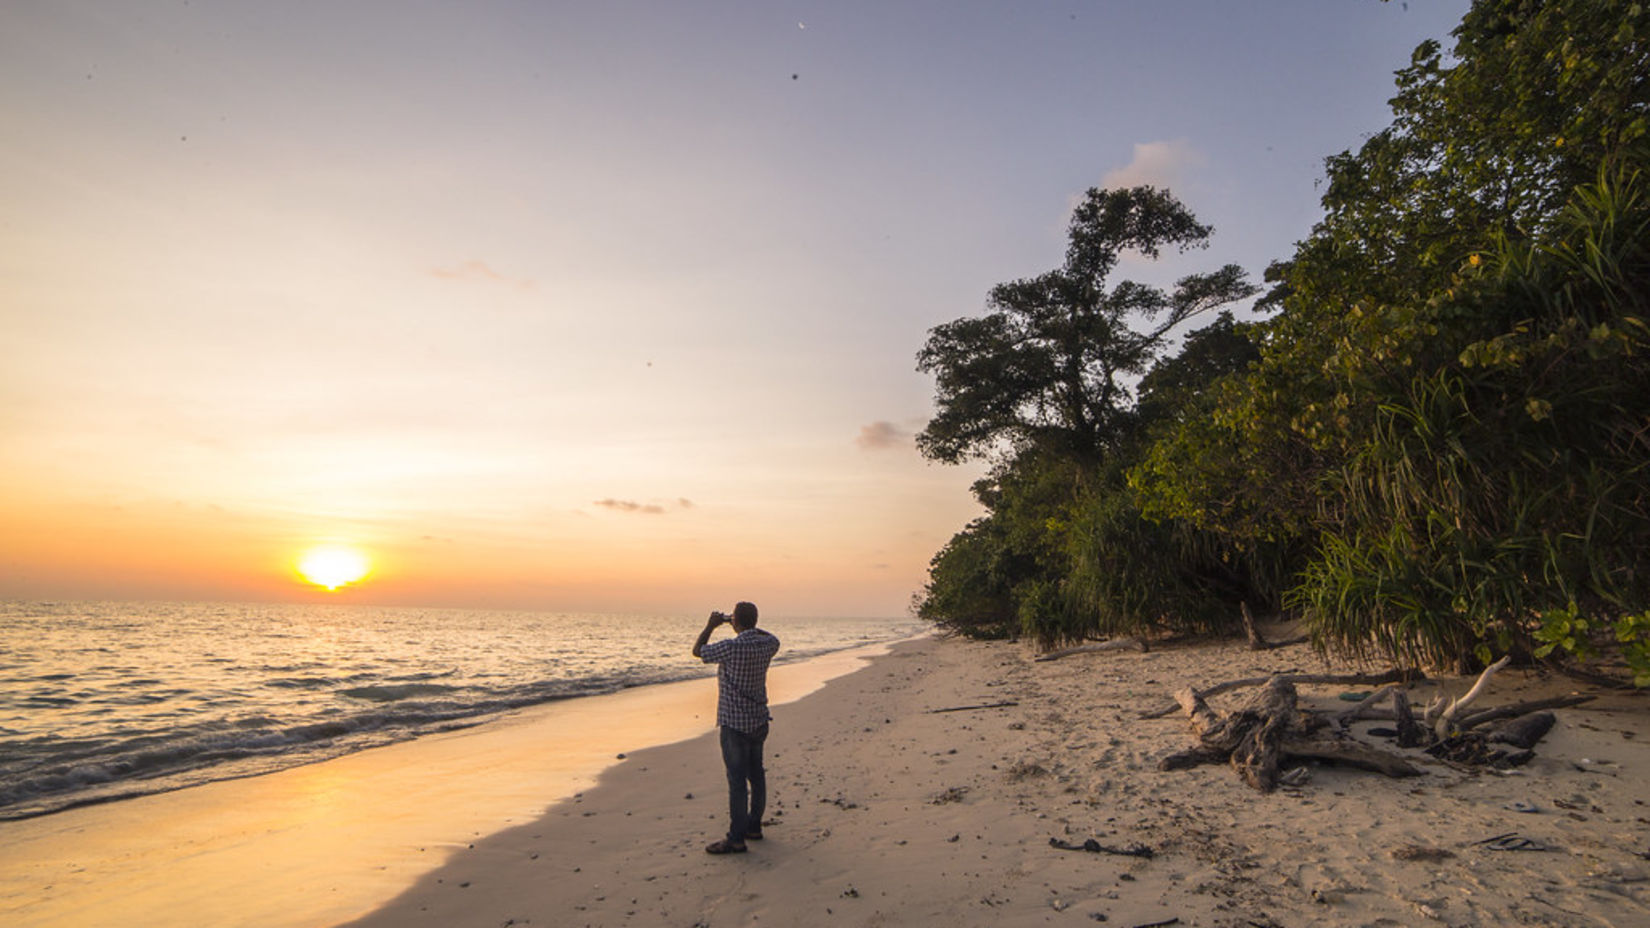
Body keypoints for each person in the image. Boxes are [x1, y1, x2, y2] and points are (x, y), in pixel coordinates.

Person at [691, 601, 780, 855]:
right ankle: (754, 827)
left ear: (735, 622)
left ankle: (736, 838)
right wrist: (746, 624)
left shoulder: (731, 647)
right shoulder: (768, 644)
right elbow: (771, 636)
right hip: (759, 720)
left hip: (734, 724)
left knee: (737, 782)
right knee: (757, 776)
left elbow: (699, 651)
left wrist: (711, 625)